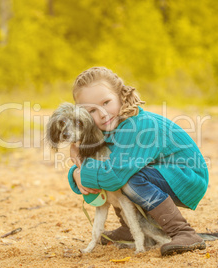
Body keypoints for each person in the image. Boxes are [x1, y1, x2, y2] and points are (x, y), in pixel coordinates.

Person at [67, 67, 209, 256]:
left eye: (106, 102)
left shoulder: (136, 125)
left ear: (121, 96)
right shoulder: (110, 128)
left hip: (186, 176)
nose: (102, 114)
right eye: (92, 110)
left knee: (126, 178)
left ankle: (183, 232)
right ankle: (129, 228)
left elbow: (113, 175)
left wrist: (80, 174)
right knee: (120, 169)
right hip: (163, 172)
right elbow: (101, 161)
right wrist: (76, 159)